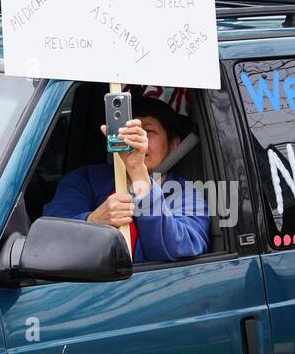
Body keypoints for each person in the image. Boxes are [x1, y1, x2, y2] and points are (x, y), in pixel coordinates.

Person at [43, 94, 209, 263]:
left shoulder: (186, 194)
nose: (137, 139)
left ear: (174, 144)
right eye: (129, 132)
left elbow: (182, 248)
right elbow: (50, 234)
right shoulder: (84, 179)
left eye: (149, 131)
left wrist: (137, 171)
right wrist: (92, 221)